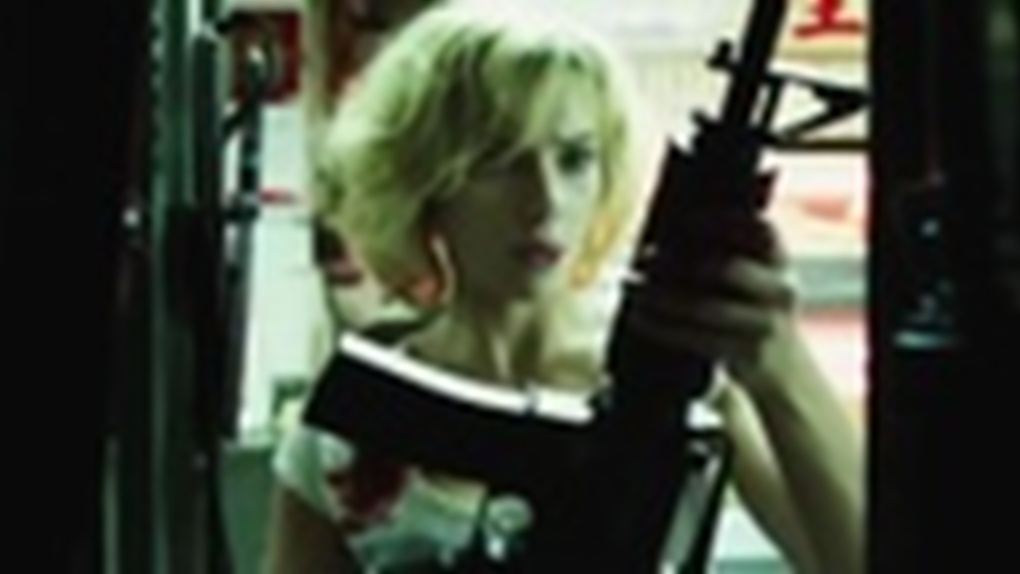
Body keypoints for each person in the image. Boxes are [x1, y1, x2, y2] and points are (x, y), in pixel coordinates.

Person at [266, 3, 864, 573]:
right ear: (426, 181)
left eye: (575, 159)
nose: (544, 202)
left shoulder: (678, 388)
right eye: (500, 161)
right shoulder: (357, 418)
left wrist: (781, 369)